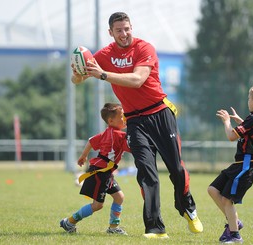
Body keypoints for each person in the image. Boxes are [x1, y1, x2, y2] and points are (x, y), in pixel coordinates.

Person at [71, 12, 203, 239]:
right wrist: (79, 73)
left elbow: (137, 79)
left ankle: (188, 208)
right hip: (134, 121)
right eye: (119, 30)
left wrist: (102, 75)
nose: (124, 34)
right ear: (110, 33)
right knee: (146, 173)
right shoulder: (104, 55)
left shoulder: (145, 49)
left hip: (160, 113)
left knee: (177, 170)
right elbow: (79, 79)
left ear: (132, 27)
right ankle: (155, 227)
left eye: (127, 28)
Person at [207, 79, 253, 243]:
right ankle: (234, 222)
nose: (248, 102)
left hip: (246, 165)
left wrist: (227, 122)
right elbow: (250, 130)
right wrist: (239, 120)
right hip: (239, 164)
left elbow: (231, 136)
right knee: (213, 189)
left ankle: (234, 235)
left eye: (249, 99)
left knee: (227, 200)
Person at [60, 103, 130, 235]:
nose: (125, 118)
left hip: (105, 172)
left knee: (119, 197)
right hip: (100, 172)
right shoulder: (117, 135)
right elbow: (132, 147)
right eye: (122, 116)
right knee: (98, 205)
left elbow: (91, 141)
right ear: (110, 121)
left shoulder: (108, 132)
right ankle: (69, 222)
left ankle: (113, 228)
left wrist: (83, 156)